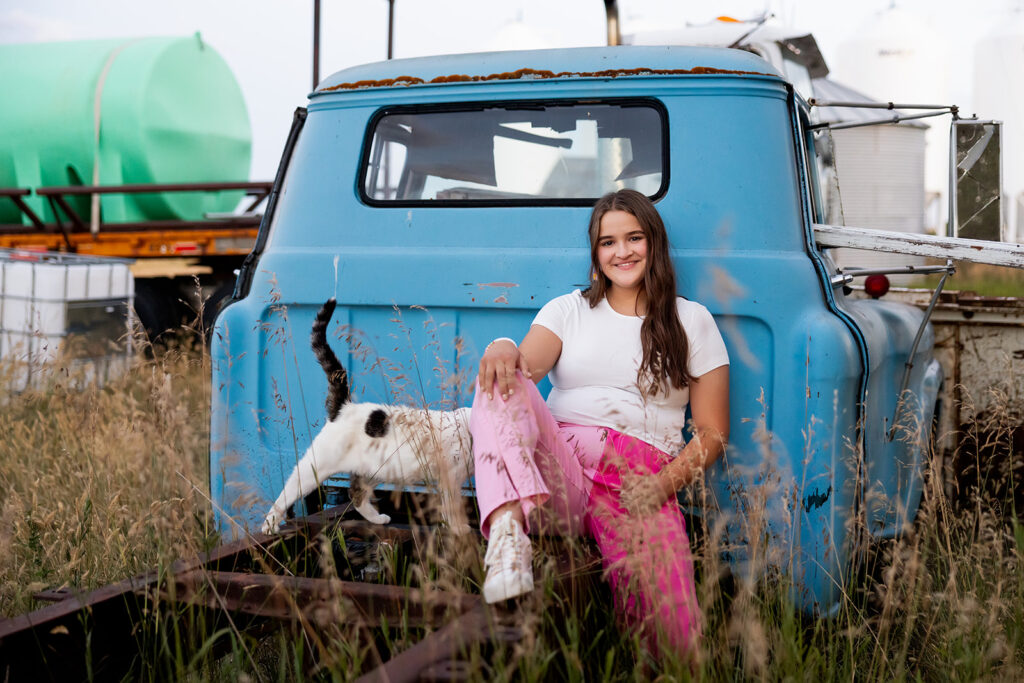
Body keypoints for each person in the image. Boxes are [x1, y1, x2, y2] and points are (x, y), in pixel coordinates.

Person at [469, 188, 730, 655]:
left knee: (675, 637)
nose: (622, 251)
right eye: (608, 242)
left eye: (634, 238)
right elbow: (522, 375)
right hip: (562, 466)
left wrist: (663, 486)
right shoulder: (568, 310)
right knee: (499, 378)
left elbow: (712, 433)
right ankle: (507, 537)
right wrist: (503, 347)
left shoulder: (692, 320)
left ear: (655, 243)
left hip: (640, 481)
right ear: (595, 253)